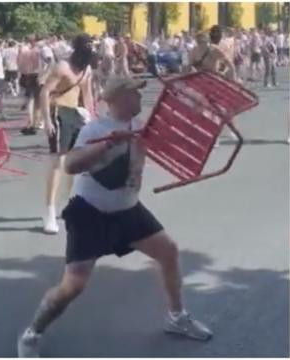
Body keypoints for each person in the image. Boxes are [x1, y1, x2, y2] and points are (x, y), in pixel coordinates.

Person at [17, 76, 212, 357]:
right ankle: (32, 334)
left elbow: (177, 140)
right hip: (90, 213)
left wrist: (199, 108)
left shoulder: (141, 126)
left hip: (128, 210)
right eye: (135, 93)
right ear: (120, 97)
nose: (140, 99)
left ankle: (176, 316)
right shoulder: (95, 129)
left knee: (168, 252)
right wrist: (107, 144)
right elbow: (70, 165)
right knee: (73, 287)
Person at [38, 34, 95, 234]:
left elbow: (87, 95)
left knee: (73, 163)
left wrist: (92, 118)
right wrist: (46, 120)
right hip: (56, 113)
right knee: (57, 162)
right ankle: (49, 212)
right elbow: (45, 92)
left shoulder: (87, 69)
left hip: (75, 115)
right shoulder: (62, 67)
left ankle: (68, 205)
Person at [18, 35, 43, 134]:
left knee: (30, 100)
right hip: (38, 75)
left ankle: (31, 121)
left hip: (28, 75)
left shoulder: (25, 52)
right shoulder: (39, 51)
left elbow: (20, 66)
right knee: (38, 100)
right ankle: (37, 122)